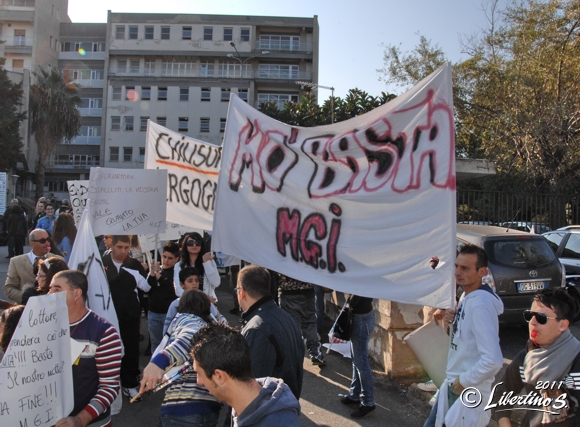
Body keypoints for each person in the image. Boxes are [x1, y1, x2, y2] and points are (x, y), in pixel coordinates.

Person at [424, 244, 504, 427]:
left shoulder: (479, 304)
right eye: (456, 266)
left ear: (482, 271)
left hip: (467, 391)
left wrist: (464, 380)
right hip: (455, 385)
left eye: (465, 268)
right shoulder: (469, 296)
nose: (458, 272)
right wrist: (453, 322)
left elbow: (493, 360)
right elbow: (466, 340)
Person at [492, 289, 580, 426]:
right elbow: (500, 396)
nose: (532, 322)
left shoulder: (576, 359)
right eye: (529, 315)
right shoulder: (526, 358)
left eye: (541, 317)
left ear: (562, 325)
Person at [49, 270, 123, 427]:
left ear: (76, 294)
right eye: (50, 289)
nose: (49, 294)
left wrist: (80, 420)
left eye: (56, 289)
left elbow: (109, 387)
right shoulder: (44, 328)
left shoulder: (104, 332)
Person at [192, 322, 301, 427]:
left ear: (219, 376)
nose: (199, 382)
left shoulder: (274, 422)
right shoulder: (245, 408)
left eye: (199, 374)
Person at [140, 290, 222, 427]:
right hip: (210, 407)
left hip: (182, 409)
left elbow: (190, 336)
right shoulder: (213, 329)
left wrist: (159, 362)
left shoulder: (187, 319)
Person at [237, 265, 304, 399]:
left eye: (237, 289)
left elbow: (253, 385)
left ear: (242, 292)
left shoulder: (257, 329)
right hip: (284, 406)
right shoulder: (284, 317)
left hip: (268, 413)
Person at [102, 235, 150, 400]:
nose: (123, 251)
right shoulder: (101, 263)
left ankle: (129, 384)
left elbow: (145, 286)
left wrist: (153, 273)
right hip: (107, 316)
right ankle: (108, 387)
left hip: (130, 316)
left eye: (126, 248)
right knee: (109, 352)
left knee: (130, 351)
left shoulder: (134, 264)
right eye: (120, 247)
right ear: (112, 245)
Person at [271, 270, 325, 366]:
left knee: (291, 326)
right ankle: (315, 353)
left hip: (287, 292)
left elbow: (274, 273)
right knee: (309, 323)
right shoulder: (306, 254)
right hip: (307, 290)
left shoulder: (283, 255)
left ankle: (292, 356)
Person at [339, 294, 376, 418]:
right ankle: (354, 395)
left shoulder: (362, 276)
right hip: (362, 318)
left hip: (361, 319)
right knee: (357, 360)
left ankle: (368, 402)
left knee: (361, 363)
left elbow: (354, 301)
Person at [4, 228, 63, 303]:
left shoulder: (58, 260)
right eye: (42, 241)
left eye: (48, 239)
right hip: (25, 308)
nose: (47, 243)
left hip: (52, 306)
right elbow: (9, 287)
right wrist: (28, 298)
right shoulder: (16, 261)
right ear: (32, 244)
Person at [163, 266, 225, 336]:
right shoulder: (176, 304)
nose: (194, 283)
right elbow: (167, 327)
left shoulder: (205, 302)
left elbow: (220, 319)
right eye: (190, 281)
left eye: (196, 280)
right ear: (182, 284)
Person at [147, 242, 179, 352]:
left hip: (169, 314)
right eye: (164, 257)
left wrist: (159, 277)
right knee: (155, 343)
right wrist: (151, 274)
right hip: (153, 313)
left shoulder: (176, 272)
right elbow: (147, 288)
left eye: (170, 258)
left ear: (176, 259)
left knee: (169, 345)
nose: (166, 260)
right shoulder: (156, 269)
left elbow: (173, 290)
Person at [174, 232, 220, 301]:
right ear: (185, 245)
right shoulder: (179, 265)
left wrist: (206, 263)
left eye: (198, 242)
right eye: (190, 243)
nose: (194, 245)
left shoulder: (209, 261)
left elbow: (216, 283)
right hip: (188, 303)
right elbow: (178, 290)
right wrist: (202, 298)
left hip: (208, 304)